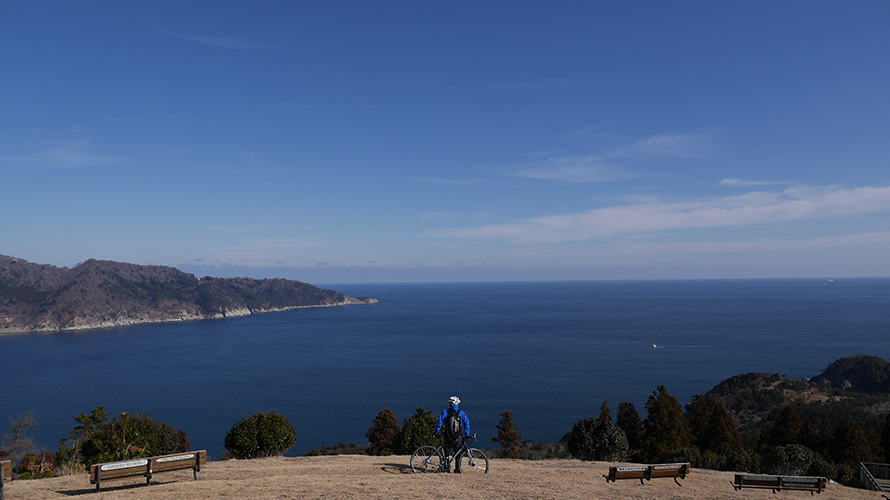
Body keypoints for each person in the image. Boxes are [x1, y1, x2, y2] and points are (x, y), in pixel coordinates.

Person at [434, 395, 471, 473]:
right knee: (458, 453)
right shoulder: (462, 413)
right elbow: (467, 423)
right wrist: (467, 434)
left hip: (448, 437)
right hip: (458, 437)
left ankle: (446, 468)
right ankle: (457, 469)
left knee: (446, 453)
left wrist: (436, 432)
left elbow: (439, 423)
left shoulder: (445, 412)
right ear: (457, 404)